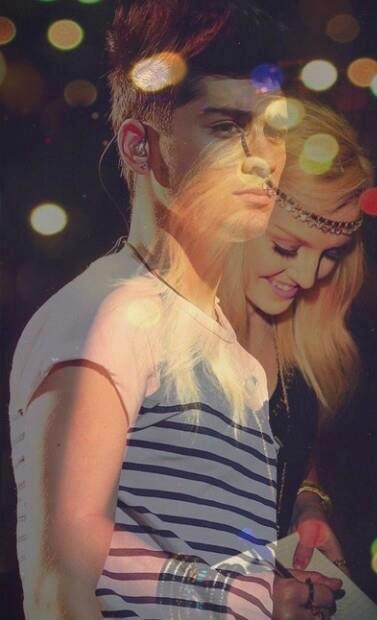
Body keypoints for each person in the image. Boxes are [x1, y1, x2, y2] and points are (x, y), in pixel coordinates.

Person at [8, 3, 341, 619]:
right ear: (141, 146)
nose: (262, 156)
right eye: (226, 126)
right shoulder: (112, 315)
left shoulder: (226, 350)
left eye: (273, 128)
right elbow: (60, 590)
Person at [220, 97, 373, 573]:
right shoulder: (154, 336)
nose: (308, 277)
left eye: (332, 254)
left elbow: (285, 450)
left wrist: (307, 502)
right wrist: (253, 597)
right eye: (287, 247)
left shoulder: (293, 330)